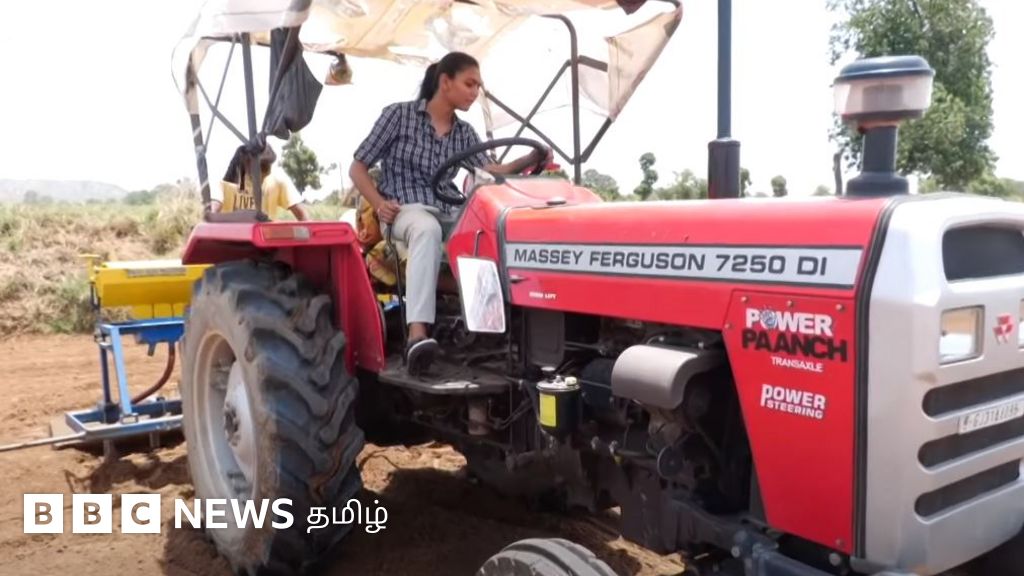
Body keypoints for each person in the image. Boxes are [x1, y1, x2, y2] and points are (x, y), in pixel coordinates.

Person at [349, 51, 550, 374]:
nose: (475, 92)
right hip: (405, 211)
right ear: (445, 82)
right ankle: (417, 336)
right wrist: (379, 203)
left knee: (493, 231)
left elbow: (491, 172)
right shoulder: (398, 116)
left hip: (449, 212)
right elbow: (358, 167)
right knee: (426, 229)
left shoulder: (464, 133)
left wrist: (529, 159)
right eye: (470, 84)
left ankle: (507, 331)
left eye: (478, 86)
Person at [212, 143, 310, 221]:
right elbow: (211, 213)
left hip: (264, 239)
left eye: (266, 173)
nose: (262, 180)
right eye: (257, 176)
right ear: (247, 164)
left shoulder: (279, 180)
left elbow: (303, 216)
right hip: (232, 238)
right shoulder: (226, 183)